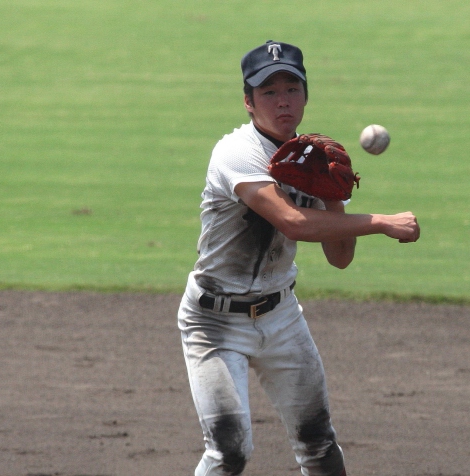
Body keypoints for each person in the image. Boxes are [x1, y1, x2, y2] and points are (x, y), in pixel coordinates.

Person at [178, 40, 420, 476]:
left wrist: (334, 197)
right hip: (214, 322)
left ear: (306, 95)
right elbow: (292, 222)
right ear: (249, 102)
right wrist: (381, 221)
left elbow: (340, 258)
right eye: (269, 92)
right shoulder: (237, 153)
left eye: (292, 89)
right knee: (228, 452)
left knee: (319, 446)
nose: (283, 101)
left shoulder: (313, 159)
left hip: (281, 316)